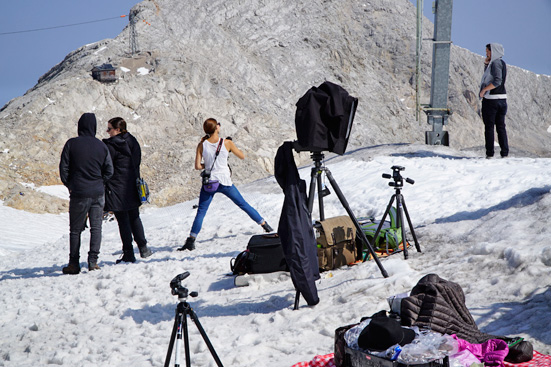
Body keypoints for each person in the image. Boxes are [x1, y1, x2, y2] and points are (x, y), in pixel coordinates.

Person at [178, 118, 273, 251]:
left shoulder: (202, 144)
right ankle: (264, 225)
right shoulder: (226, 143)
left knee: (201, 211)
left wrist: (209, 165)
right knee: (243, 204)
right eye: (218, 125)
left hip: (210, 182)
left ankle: (191, 240)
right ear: (216, 128)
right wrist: (230, 148)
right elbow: (242, 156)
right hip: (225, 181)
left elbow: (197, 166)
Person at [59, 113, 113, 274]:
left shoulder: (71, 144)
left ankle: (74, 264)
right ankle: (93, 262)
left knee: (75, 230)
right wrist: (100, 182)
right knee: (96, 228)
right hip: (97, 192)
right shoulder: (101, 146)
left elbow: (64, 169)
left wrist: (71, 185)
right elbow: (109, 170)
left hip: (79, 193)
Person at [103, 117, 153, 263]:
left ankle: (128, 253)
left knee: (122, 221)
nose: (107, 132)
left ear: (117, 130)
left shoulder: (110, 146)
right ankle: (143, 248)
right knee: (134, 216)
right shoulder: (133, 141)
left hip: (116, 186)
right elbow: (137, 162)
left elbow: (107, 167)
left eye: (109, 129)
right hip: (132, 184)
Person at [479, 43, 508, 158]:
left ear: (494, 51)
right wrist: (486, 64)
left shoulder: (495, 63)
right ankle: (504, 153)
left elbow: (497, 81)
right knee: (501, 126)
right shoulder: (501, 63)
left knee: (489, 127)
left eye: (488, 51)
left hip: (491, 100)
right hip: (502, 99)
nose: (486, 53)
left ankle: (490, 154)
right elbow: (490, 76)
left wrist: (484, 90)